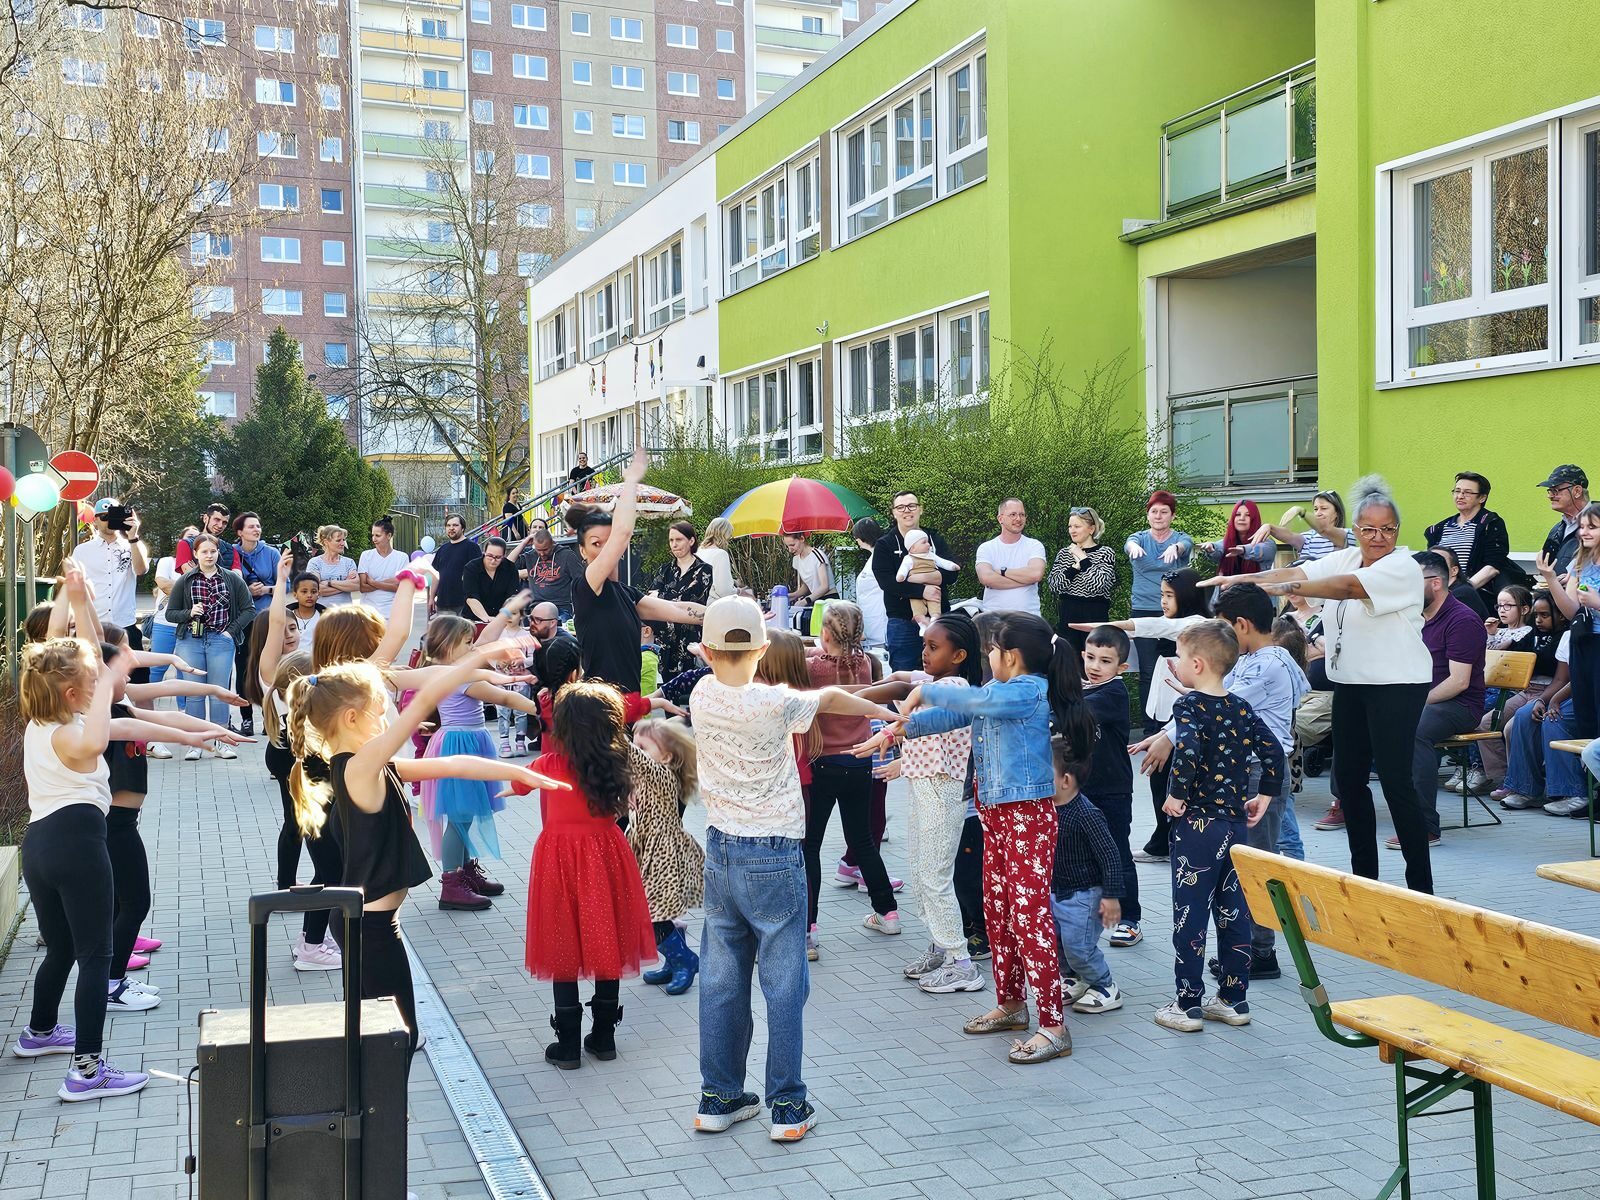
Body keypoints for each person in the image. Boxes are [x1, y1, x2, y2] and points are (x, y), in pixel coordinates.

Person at [689, 595, 901, 1140]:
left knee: (721, 978)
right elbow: (830, 697)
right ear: (763, 649)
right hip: (775, 852)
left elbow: (714, 656)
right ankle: (786, 1105)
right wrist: (885, 713)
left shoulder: (701, 693)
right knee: (784, 983)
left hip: (722, 849)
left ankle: (718, 1096)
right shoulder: (775, 702)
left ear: (709, 651)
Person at [285, 650, 557, 1058]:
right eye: (380, 712)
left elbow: (455, 764)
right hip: (370, 930)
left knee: (386, 1035)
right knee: (398, 1038)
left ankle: (375, 1090)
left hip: (371, 925)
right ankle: (378, 1093)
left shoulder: (371, 767)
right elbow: (426, 699)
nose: (387, 719)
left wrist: (519, 772)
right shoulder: (359, 767)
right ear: (352, 719)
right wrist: (482, 655)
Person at [1209, 476, 1435, 893]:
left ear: (1397, 531)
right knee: (1348, 781)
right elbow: (1297, 570)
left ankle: (1421, 887)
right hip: (1350, 682)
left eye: (1388, 529)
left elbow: (1346, 589)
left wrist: (1285, 586)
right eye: (1370, 529)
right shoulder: (1346, 556)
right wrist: (1242, 582)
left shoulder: (1403, 566)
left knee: (1395, 782)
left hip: (1398, 684)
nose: (1379, 537)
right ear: (1356, 529)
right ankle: (1365, 881)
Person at [896, 612, 1096, 1065]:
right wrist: (899, 728)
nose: (988, 657)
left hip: (1026, 818)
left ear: (1011, 656)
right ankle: (1011, 1005)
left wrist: (922, 691)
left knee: (1029, 919)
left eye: (992, 649)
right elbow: (956, 715)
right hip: (996, 818)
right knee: (998, 912)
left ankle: (1053, 1025)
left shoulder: (1027, 691)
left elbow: (977, 701)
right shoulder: (1001, 693)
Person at [1141, 584, 1309, 981]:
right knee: (1245, 862)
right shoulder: (1271, 658)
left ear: (1242, 625)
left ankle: (1260, 952)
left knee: (1254, 863)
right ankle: (1251, 948)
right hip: (1254, 770)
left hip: (1258, 773)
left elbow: (1218, 707)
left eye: (1225, 626)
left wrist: (1168, 736)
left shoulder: (1267, 665)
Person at [13, 637, 149, 1101]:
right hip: (76, 846)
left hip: (39, 847)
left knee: (64, 948)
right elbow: (95, 742)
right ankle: (87, 1071)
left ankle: (39, 1032)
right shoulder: (71, 733)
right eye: (92, 682)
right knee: (96, 956)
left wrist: (73, 603)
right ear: (71, 693)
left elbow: (52, 654)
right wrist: (111, 676)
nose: (100, 686)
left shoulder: (41, 722)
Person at [513, 681, 658, 1069]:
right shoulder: (617, 761)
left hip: (558, 859)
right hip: (607, 854)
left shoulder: (549, 764)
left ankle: (568, 1046)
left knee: (561, 944)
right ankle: (604, 1037)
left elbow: (517, 784)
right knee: (607, 939)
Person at [1153, 621, 1281, 1033]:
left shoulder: (1189, 705)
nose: (1175, 662)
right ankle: (1232, 999)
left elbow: (1187, 748)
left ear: (1197, 664)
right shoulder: (1240, 706)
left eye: (1178, 655)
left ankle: (1188, 1003)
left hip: (1197, 825)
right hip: (1234, 826)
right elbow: (1273, 749)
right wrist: (1265, 794)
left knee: (1190, 913)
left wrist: (1176, 793)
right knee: (1233, 911)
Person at [860, 613, 985, 993]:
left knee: (934, 876)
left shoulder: (954, 687)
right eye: (924, 645)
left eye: (934, 647)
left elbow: (921, 721)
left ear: (959, 655)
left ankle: (962, 964)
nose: (925, 653)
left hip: (942, 791)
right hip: (925, 787)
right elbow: (910, 705)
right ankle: (941, 945)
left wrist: (891, 730)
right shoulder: (936, 684)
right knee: (920, 871)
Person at [1071, 568, 1212, 863]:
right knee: (1158, 778)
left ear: (1188, 597)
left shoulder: (1198, 624)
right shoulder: (1176, 624)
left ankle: (1176, 845)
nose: (1163, 601)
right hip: (1165, 710)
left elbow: (1150, 626)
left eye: (1169, 595)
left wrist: (1105, 625)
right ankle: (1162, 842)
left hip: (1181, 716)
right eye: (1161, 594)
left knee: (1174, 780)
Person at [417, 614, 542, 908]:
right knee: (459, 817)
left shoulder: (451, 670)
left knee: (464, 814)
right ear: (449, 646)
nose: (473, 647)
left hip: (465, 741)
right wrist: (543, 710)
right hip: (460, 745)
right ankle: (452, 884)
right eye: (467, 642)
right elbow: (506, 699)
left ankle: (464, 873)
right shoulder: (459, 676)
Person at [802, 604, 901, 944]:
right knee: (863, 841)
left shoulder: (812, 668)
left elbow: (810, 658)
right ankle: (888, 912)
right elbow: (833, 656)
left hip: (822, 763)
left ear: (826, 633)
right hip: (860, 762)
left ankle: (809, 928)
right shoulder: (866, 664)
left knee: (810, 845)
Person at [568, 449, 704, 694]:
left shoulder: (626, 594)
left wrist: (729, 613)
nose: (606, 548)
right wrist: (631, 480)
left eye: (608, 542)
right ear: (582, 551)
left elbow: (678, 610)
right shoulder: (585, 588)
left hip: (628, 701)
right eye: (596, 543)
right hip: (601, 704)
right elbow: (622, 533)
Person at [1399, 552, 1488, 849]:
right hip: (1423, 699)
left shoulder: (1463, 620)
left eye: (1411, 581)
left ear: (1435, 583)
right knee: (1356, 715)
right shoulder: (1413, 617)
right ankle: (1345, 803)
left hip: (1460, 705)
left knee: (1415, 729)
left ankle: (1424, 827)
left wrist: (1414, 702)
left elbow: (1459, 682)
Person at [1048, 741, 1125, 1015]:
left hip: (1083, 896)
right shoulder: (1045, 810)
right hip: (1055, 891)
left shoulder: (1086, 814)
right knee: (1057, 941)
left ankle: (1104, 985)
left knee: (1079, 947)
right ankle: (1073, 977)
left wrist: (1111, 896)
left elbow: (1110, 856)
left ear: (1066, 780)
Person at [165, 533, 257, 759]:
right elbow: (170, 613)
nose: (209, 555)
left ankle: (221, 741)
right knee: (194, 693)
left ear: (218, 553)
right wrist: (189, 613)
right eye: (204, 552)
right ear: (195, 554)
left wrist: (230, 632)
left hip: (220, 640)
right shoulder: (185, 580)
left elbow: (249, 609)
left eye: (213, 551)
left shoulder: (231, 579)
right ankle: (196, 743)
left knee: (219, 693)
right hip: (190, 640)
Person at [630, 719, 705, 997]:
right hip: (647, 851)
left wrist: (604, 728)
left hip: (662, 854)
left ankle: (686, 960)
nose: (637, 752)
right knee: (655, 912)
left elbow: (630, 757)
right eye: (636, 745)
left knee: (650, 915)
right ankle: (674, 960)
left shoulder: (663, 775)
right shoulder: (643, 778)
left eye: (643, 748)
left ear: (666, 757)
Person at [1078, 625, 1142, 948]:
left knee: (1116, 853)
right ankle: (1086, 915)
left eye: (1105, 661)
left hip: (1112, 790)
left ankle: (1130, 919)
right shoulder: (1084, 689)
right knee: (1083, 854)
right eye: (1090, 657)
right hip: (1082, 789)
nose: (1095, 666)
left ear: (1122, 667)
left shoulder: (1114, 692)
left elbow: (1079, 712)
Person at [1124, 490, 1193, 733]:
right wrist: (1132, 546)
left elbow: (1186, 544)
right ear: (1148, 515)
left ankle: (1173, 724)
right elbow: (1129, 543)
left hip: (1174, 614)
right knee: (1147, 671)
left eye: (1164, 512)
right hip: (1144, 610)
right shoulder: (1140, 538)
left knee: (1176, 668)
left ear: (1172, 515)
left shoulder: (1181, 537)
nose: (1158, 516)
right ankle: (1149, 727)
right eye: (1154, 511)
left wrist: (1177, 548)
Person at [1484, 592, 1564, 796]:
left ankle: (1520, 782)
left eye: (1545, 615)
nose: (1538, 620)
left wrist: (1530, 658)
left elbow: (1547, 665)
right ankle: (1503, 778)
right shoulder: (1533, 634)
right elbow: (1510, 658)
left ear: (1561, 615)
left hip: (1548, 692)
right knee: (1485, 724)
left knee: (1511, 729)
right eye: (1536, 615)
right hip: (1526, 690)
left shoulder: (1563, 636)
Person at [1538, 501, 1600, 755]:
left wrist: (1597, 602)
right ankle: (1590, 776)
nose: (1584, 532)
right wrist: (1551, 578)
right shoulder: (1580, 562)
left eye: (1592, 527)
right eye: (1582, 526)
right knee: (1587, 711)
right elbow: (1571, 611)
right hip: (1583, 642)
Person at [872, 492, 960, 671]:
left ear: (920, 509)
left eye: (912, 506)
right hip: (902, 621)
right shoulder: (885, 544)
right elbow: (886, 581)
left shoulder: (934, 539)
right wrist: (921, 591)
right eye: (900, 507)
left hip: (938, 617)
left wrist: (922, 578)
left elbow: (952, 572)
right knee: (904, 674)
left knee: (942, 671)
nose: (907, 511)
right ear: (893, 512)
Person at [1425, 472, 1525, 612]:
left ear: (1482, 497)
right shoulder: (1439, 528)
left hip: (1475, 595)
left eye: (1467, 492)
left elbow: (1493, 566)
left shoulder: (1490, 524)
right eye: (1457, 491)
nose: (1460, 496)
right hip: (1439, 594)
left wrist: (1463, 591)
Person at [74, 499, 149, 672]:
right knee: (93, 677)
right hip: (94, 624)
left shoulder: (133, 545)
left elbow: (141, 570)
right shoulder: (82, 550)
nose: (109, 521)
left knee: (136, 678)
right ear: (95, 520)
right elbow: (77, 586)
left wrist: (133, 537)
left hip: (125, 625)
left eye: (114, 516)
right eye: (104, 517)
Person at [231, 513, 282, 738]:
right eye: (251, 527)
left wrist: (266, 589)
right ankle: (246, 719)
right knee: (243, 668)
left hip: (266, 618)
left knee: (267, 668)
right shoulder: (230, 553)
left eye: (258, 526)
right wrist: (247, 591)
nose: (256, 530)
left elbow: (285, 584)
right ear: (240, 532)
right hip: (242, 619)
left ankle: (269, 718)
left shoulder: (271, 553)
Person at [650, 522, 714, 679]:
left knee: (691, 686)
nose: (674, 544)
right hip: (665, 643)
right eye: (671, 540)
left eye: (678, 539)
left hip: (690, 642)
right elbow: (651, 601)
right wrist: (664, 599)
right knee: (667, 687)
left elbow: (691, 599)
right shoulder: (664, 570)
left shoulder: (704, 570)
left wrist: (661, 596)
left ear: (691, 541)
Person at [1047, 507, 1117, 652]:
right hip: (1068, 617)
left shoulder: (1105, 553)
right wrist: (1074, 569)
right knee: (1068, 662)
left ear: (1091, 529)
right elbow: (1054, 585)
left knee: (1094, 658)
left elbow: (1097, 585)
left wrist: (1083, 558)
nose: (1072, 530)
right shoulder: (1064, 554)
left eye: (1077, 526)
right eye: (1070, 526)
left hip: (1095, 617)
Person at [975, 498, 1047, 616]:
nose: (1018, 519)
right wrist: (1026, 581)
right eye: (1013, 514)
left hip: (1029, 618)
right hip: (994, 619)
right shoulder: (986, 548)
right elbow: (986, 578)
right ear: (1000, 519)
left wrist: (1001, 571)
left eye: (1022, 514)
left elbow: (1035, 574)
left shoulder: (1034, 545)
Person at [1250, 491, 1354, 566]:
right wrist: (1269, 527)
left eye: (1324, 508)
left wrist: (1301, 511)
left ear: (1337, 513)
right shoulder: (1309, 536)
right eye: (1315, 509)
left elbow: (1324, 530)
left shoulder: (1348, 535)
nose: (1318, 513)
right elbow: (1290, 536)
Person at [896, 530, 959, 632]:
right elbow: (903, 569)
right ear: (913, 547)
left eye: (928, 542)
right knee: (917, 608)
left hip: (933, 588)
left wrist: (952, 566)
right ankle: (922, 624)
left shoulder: (931, 555)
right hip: (915, 592)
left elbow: (942, 562)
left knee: (935, 605)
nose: (928, 544)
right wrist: (901, 576)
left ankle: (934, 619)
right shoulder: (908, 558)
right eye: (924, 542)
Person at [519, 528, 583, 623]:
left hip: (560, 608)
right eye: (538, 550)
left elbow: (581, 582)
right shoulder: (530, 556)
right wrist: (524, 543)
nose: (542, 554)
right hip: (536, 607)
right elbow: (507, 564)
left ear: (552, 543)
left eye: (545, 549)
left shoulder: (567, 555)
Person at [1197, 500, 1273, 577]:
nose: (1242, 518)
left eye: (1248, 515)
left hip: (1256, 584)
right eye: (1238, 514)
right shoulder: (1227, 541)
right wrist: (1211, 547)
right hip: (1228, 584)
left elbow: (1259, 551)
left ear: (1254, 518)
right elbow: (1220, 547)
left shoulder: (1268, 543)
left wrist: (1243, 550)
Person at [1538, 465, 1589, 578]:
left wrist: (1575, 578)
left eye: (1555, 490)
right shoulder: (1557, 530)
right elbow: (1545, 569)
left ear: (1577, 491)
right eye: (1550, 491)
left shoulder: (1597, 524)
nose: (1550, 496)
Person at [358, 516, 410, 621]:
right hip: (368, 614)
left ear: (389, 536)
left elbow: (400, 588)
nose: (374, 539)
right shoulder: (366, 555)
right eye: (372, 535)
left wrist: (373, 582)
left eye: (378, 535)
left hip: (392, 613)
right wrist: (390, 582)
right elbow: (363, 587)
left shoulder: (402, 557)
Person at [431, 514, 483, 616]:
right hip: (443, 603)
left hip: (463, 604)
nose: (451, 528)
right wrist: (431, 598)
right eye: (448, 525)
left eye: (455, 525)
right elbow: (435, 575)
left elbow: (478, 574)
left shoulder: (472, 547)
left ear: (462, 528)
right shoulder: (442, 549)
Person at [462, 537, 521, 625]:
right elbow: (471, 597)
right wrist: (486, 618)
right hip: (474, 619)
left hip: (502, 618)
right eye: (489, 556)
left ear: (504, 555)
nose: (493, 561)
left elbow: (512, 597)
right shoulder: (471, 568)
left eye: (498, 557)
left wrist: (502, 618)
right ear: (484, 552)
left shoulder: (510, 568)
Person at [851, 518, 888, 653]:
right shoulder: (874, 556)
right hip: (869, 619)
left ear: (862, 537)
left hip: (879, 621)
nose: (856, 540)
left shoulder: (881, 557)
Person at [783, 531, 835, 630]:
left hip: (828, 600)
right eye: (788, 546)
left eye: (792, 545)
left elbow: (825, 586)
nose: (790, 550)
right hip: (814, 600)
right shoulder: (796, 560)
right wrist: (793, 595)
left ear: (802, 539)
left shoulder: (817, 555)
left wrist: (805, 601)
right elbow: (807, 586)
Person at [174, 502, 239, 573]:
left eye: (224, 523)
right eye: (217, 520)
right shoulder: (185, 544)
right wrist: (225, 575)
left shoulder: (231, 550)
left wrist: (198, 572)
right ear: (205, 518)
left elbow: (237, 578)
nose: (220, 525)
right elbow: (190, 576)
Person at [1431, 544, 1490, 619]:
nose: (1432, 567)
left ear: (1454, 570)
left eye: (1439, 562)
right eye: (1429, 562)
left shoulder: (1461, 594)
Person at [307, 526, 360, 608]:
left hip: (346, 612)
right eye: (338, 540)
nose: (343, 543)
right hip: (322, 612)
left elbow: (356, 586)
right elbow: (316, 589)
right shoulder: (315, 563)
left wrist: (329, 583)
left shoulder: (349, 562)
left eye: (343, 540)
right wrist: (346, 584)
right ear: (326, 542)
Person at [699, 517, 738, 603]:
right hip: (713, 606)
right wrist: (738, 591)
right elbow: (724, 591)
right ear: (724, 535)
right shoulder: (720, 554)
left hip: (696, 605)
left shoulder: (698, 552)